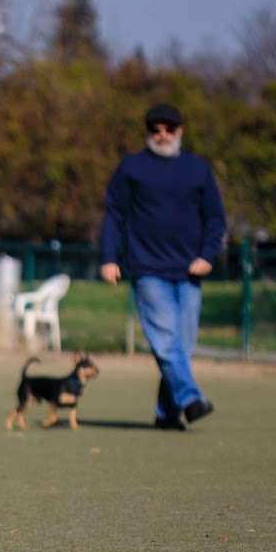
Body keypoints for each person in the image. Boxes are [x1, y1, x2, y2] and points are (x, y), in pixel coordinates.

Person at [99, 103, 226, 430]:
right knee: (166, 341)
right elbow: (114, 214)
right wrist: (109, 258)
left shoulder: (198, 169)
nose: (162, 135)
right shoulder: (131, 168)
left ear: (180, 131)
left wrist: (208, 255)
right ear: (148, 133)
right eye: (155, 129)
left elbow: (215, 218)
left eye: (169, 128)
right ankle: (190, 400)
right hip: (147, 268)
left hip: (189, 270)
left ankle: (166, 414)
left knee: (181, 347)